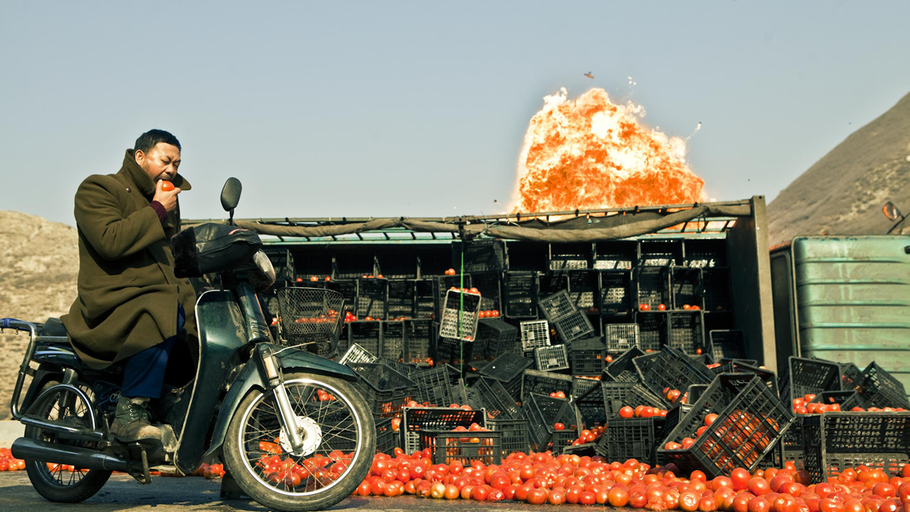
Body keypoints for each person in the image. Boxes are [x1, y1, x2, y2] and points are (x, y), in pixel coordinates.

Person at [61, 129, 198, 442]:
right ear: (140, 157)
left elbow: (174, 256)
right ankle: (129, 412)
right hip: (113, 304)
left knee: (198, 323)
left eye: (177, 164)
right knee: (162, 308)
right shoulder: (99, 188)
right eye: (166, 160)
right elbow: (111, 241)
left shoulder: (162, 198)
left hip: (155, 298)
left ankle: (168, 402)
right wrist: (158, 210)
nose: (173, 170)